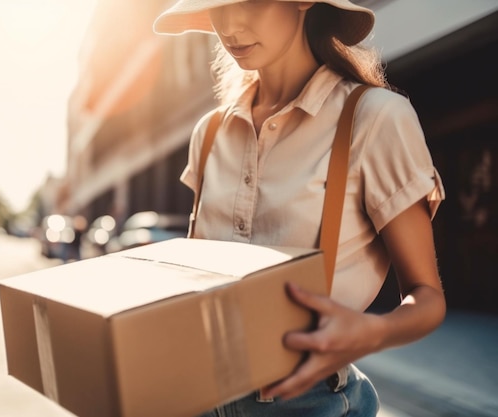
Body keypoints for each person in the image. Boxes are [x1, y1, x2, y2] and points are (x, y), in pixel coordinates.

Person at [153, 1, 446, 416]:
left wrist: (371, 331)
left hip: (308, 404)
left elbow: (428, 297)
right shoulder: (210, 131)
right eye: (217, 6)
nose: (230, 25)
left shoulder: (374, 117)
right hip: (196, 396)